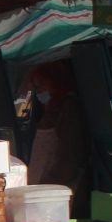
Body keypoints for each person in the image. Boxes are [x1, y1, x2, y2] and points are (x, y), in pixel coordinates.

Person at [26, 61, 87, 192]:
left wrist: (50, 183)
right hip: (40, 188)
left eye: (42, 85)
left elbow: (68, 156)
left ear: (56, 83)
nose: (39, 91)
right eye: (37, 87)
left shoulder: (69, 108)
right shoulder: (50, 109)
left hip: (53, 190)